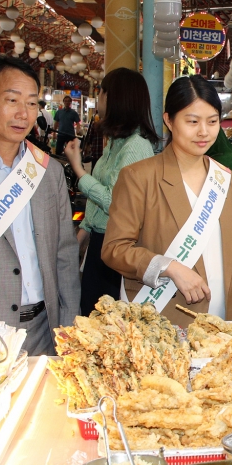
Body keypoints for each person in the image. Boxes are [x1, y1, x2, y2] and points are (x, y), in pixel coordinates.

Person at [102, 75, 232, 326]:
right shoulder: (139, 177)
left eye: (212, 121)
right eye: (192, 121)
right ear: (169, 120)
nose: (203, 132)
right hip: (162, 321)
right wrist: (168, 266)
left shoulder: (227, 180)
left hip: (221, 322)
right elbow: (114, 249)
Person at [0, 55, 80, 355]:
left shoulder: (48, 171)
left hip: (45, 329)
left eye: (31, 103)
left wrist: (69, 325)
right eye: (12, 100)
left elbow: (65, 254)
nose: (23, 114)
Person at [64, 68, 158, 316]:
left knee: (109, 322)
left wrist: (78, 170)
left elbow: (115, 202)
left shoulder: (136, 147)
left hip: (118, 248)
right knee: (90, 315)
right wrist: (83, 234)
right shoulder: (116, 143)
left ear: (113, 97)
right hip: (99, 243)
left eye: (101, 92)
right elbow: (101, 200)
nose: (99, 98)